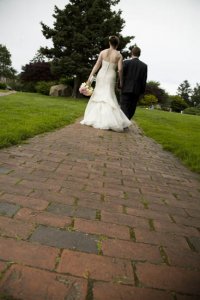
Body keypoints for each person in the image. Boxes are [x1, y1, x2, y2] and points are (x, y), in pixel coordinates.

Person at [80, 36, 132, 132]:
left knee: (98, 95)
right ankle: (108, 120)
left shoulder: (103, 52)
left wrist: (90, 78)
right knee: (108, 95)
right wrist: (121, 80)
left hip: (101, 75)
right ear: (117, 44)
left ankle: (94, 118)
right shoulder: (119, 55)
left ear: (109, 43)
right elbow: (120, 69)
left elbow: (97, 65)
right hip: (111, 76)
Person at [120, 46, 148, 119]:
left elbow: (122, 76)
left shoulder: (126, 63)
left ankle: (125, 121)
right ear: (139, 54)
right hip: (136, 90)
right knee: (132, 107)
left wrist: (120, 85)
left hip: (125, 88)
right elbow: (144, 80)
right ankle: (127, 120)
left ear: (131, 53)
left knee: (124, 106)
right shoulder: (144, 66)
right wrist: (142, 91)